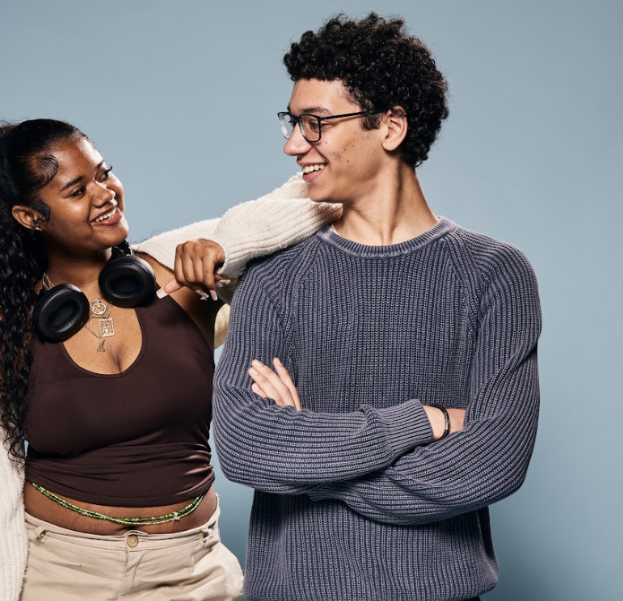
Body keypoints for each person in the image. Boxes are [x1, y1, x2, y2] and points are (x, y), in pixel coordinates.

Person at [213, 13, 542, 601]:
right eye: (292, 122)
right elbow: (243, 445)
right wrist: (423, 421)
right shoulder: (273, 276)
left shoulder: (494, 275)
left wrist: (311, 464)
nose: (293, 145)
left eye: (315, 124)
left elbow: (493, 461)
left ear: (390, 126)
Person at [0, 118, 340, 601]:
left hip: (193, 572)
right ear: (31, 217)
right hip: (60, 577)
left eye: (104, 173)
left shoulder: (177, 273)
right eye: (77, 190)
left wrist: (228, 248)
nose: (105, 194)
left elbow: (315, 200)